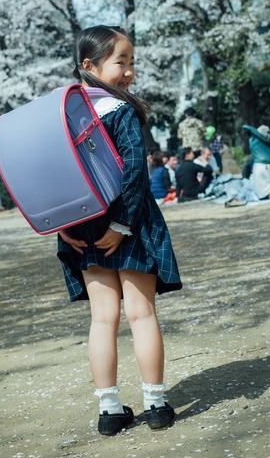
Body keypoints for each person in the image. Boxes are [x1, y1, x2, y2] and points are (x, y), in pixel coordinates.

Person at [55, 25, 182, 435]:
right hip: (127, 222)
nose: (128, 71)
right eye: (120, 62)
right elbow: (134, 171)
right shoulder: (119, 110)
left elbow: (51, 177)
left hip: (82, 225)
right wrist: (122, 223)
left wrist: (61, 227)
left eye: (131, 62)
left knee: (102, 319)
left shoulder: (62, 115)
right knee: (141, 314)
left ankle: (110, 412)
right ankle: (156, 404)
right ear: (89, 66)